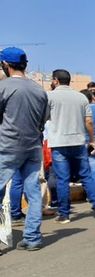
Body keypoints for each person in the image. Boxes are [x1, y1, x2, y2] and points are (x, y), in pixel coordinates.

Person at [0, 47, 48, 250]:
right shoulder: (39, 89)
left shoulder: (4, 87)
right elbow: (43, 120)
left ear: (5, 65)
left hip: (8, 145)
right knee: (34, 192)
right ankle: (32, 238)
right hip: (33, 146)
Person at [47, 69, 95, 223]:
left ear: (55, 80)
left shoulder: (49, 97)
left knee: (63, 180)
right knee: (86, 176)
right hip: (79, 141)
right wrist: (92, 140)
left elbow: (43, 118)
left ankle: (64, 214)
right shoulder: (81, 97)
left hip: (59, 143)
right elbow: (89, 121)